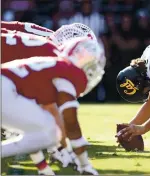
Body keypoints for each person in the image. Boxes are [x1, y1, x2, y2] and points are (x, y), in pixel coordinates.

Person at [1, 37, 103, 175]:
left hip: (7, 87)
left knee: (43, 128)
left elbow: (34, 133)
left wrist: (43, 168)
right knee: (52, 132)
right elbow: (71, 122)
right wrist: (84, 164)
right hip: (6, 90)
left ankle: (44, 170)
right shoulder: (69, 71)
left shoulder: (52, 66)